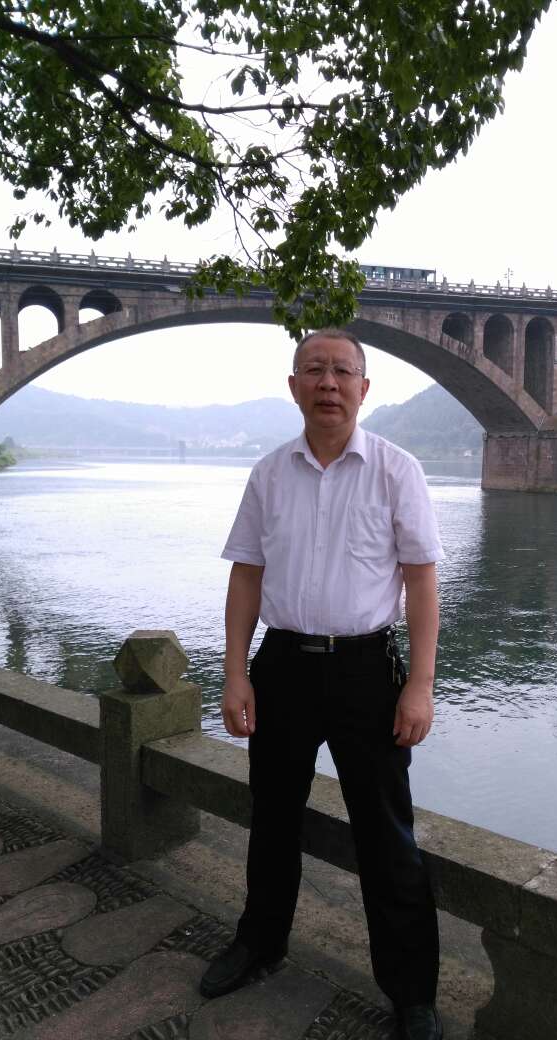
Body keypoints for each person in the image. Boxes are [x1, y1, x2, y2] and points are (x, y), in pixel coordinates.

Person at [201, 329, 444, 1040]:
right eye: (314, 370)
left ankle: (412, 993)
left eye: (342, 372)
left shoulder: (396, 470)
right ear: (294, 386)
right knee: (272, 816)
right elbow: (246, 576)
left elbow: (422, 581)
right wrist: (235, 674)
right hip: (282, 666)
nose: (328, 383)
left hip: (367, 670)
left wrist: (420, 684)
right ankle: (260, 940)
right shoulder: (269, 474)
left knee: (386, 834)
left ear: (364, 389)